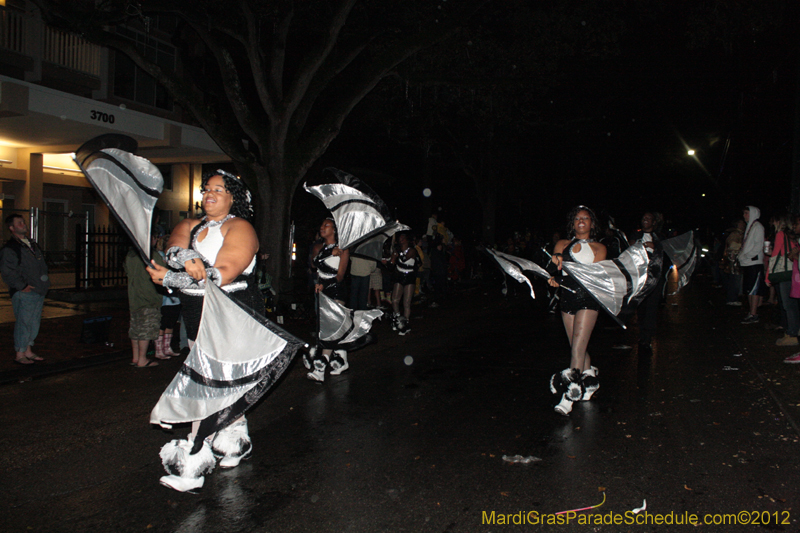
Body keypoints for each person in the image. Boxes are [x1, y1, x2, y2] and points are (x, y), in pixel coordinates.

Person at [146, 170, 263, 491]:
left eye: (219, 190)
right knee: (220, 385)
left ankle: (193, 461)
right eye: (206, 189)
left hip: (232, 317)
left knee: (207, 385)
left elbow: (223, 275)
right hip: (197, 316)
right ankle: (234, 440)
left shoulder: (241, 228)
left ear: (233, 197)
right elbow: (173, 249)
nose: (209, 194)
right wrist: (183, 257)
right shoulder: (189, 225)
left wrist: (172, 278)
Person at [548, 206, 607, 416]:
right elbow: (554, 267)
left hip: (588, 299)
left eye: (585, 218)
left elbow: (593, 276)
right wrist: (554, 274)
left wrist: (565, 272)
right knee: (577, 346)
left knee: (577, 349)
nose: (581, 221)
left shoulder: (599, 247)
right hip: (567, 299)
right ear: (573, 223)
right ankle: (590, 380)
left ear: (592, 223)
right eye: (577, 218)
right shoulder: (562, 244)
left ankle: (568, 396)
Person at [0, 214, 50, 365]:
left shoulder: (31, 244)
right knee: (24, 323)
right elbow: (8, 271)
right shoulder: (11, 248)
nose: (24, 224)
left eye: (23, 222)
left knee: (33, 323)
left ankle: (28, 350)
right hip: (25, 291)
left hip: (38, 289)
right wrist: (22, 286)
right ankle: (20, 353)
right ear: (12, 228)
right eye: (19, 223)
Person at [307, 217, 350, 382]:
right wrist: (328, 253)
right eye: (321, 225)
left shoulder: (343, 249)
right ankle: (342, 360)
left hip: (337, 292)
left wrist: (324, 285)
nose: (322, 227)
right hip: (322, 292)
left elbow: (340, 276)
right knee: (329, 329)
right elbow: (314, 264)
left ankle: (320, 368)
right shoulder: (320, 247)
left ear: (334, 230)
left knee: (331, 330)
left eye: (326, 225)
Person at [123, 244, 162, 368]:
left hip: (134, 296)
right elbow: (162, 272)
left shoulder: (131, 254)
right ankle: (142, 359)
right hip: (148, 296)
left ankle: (136, 357)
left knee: (136, 328)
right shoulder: (152, 255)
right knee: (146, 328)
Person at [633, 212, 666, 351]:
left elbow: (667, 255)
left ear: (654, 222)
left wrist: (656, 247)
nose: (645, 220)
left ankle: (647, 337)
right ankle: (642, 333)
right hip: (640, 277)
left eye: (648, 218)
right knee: (641, 307)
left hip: (655, 277)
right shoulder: (636, 235)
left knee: (651, 307)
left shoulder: (660, 237)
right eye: (643, 218)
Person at [765, 212, 798, 346]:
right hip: (795, 271)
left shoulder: (780, 234)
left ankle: (792, 334)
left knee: (788, 305)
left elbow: (774, 257)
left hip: (785, 272)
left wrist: (768, 277)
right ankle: (794, 331)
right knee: (794, 304)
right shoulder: (793, 235)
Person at [739, 206, 766, 324]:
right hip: (748, 263)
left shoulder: (758, 227)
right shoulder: (750, 227)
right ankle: (751, 312)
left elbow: (758, 246)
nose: (744, 216)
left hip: (754, 263)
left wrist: (746, 256)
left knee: (754, 289)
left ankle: (754, 314)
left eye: (746, 213)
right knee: (749, 288)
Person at [390, 232, 419, 335]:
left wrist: (397, 253)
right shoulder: (397, 250)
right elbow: (391, 264)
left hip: (409, 276)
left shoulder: (412, 250)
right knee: (395, 300)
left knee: (406, 302)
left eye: (403, 238)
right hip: (399, 275)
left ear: (407, 240)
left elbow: (404, 258)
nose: (401, 239)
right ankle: (398, 319)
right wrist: (390, 259)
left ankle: (405, 323)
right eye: (400, 238)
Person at [722, 219, 745, 306]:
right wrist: (744, 246)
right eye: (741, 223)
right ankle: (732, 299)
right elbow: (731, 245)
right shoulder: (735, 234)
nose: (743, 224)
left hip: (736, 260)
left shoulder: (741, 234)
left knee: (736, 279)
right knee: (734, 279)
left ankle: (734, 297)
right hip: (734, 260)